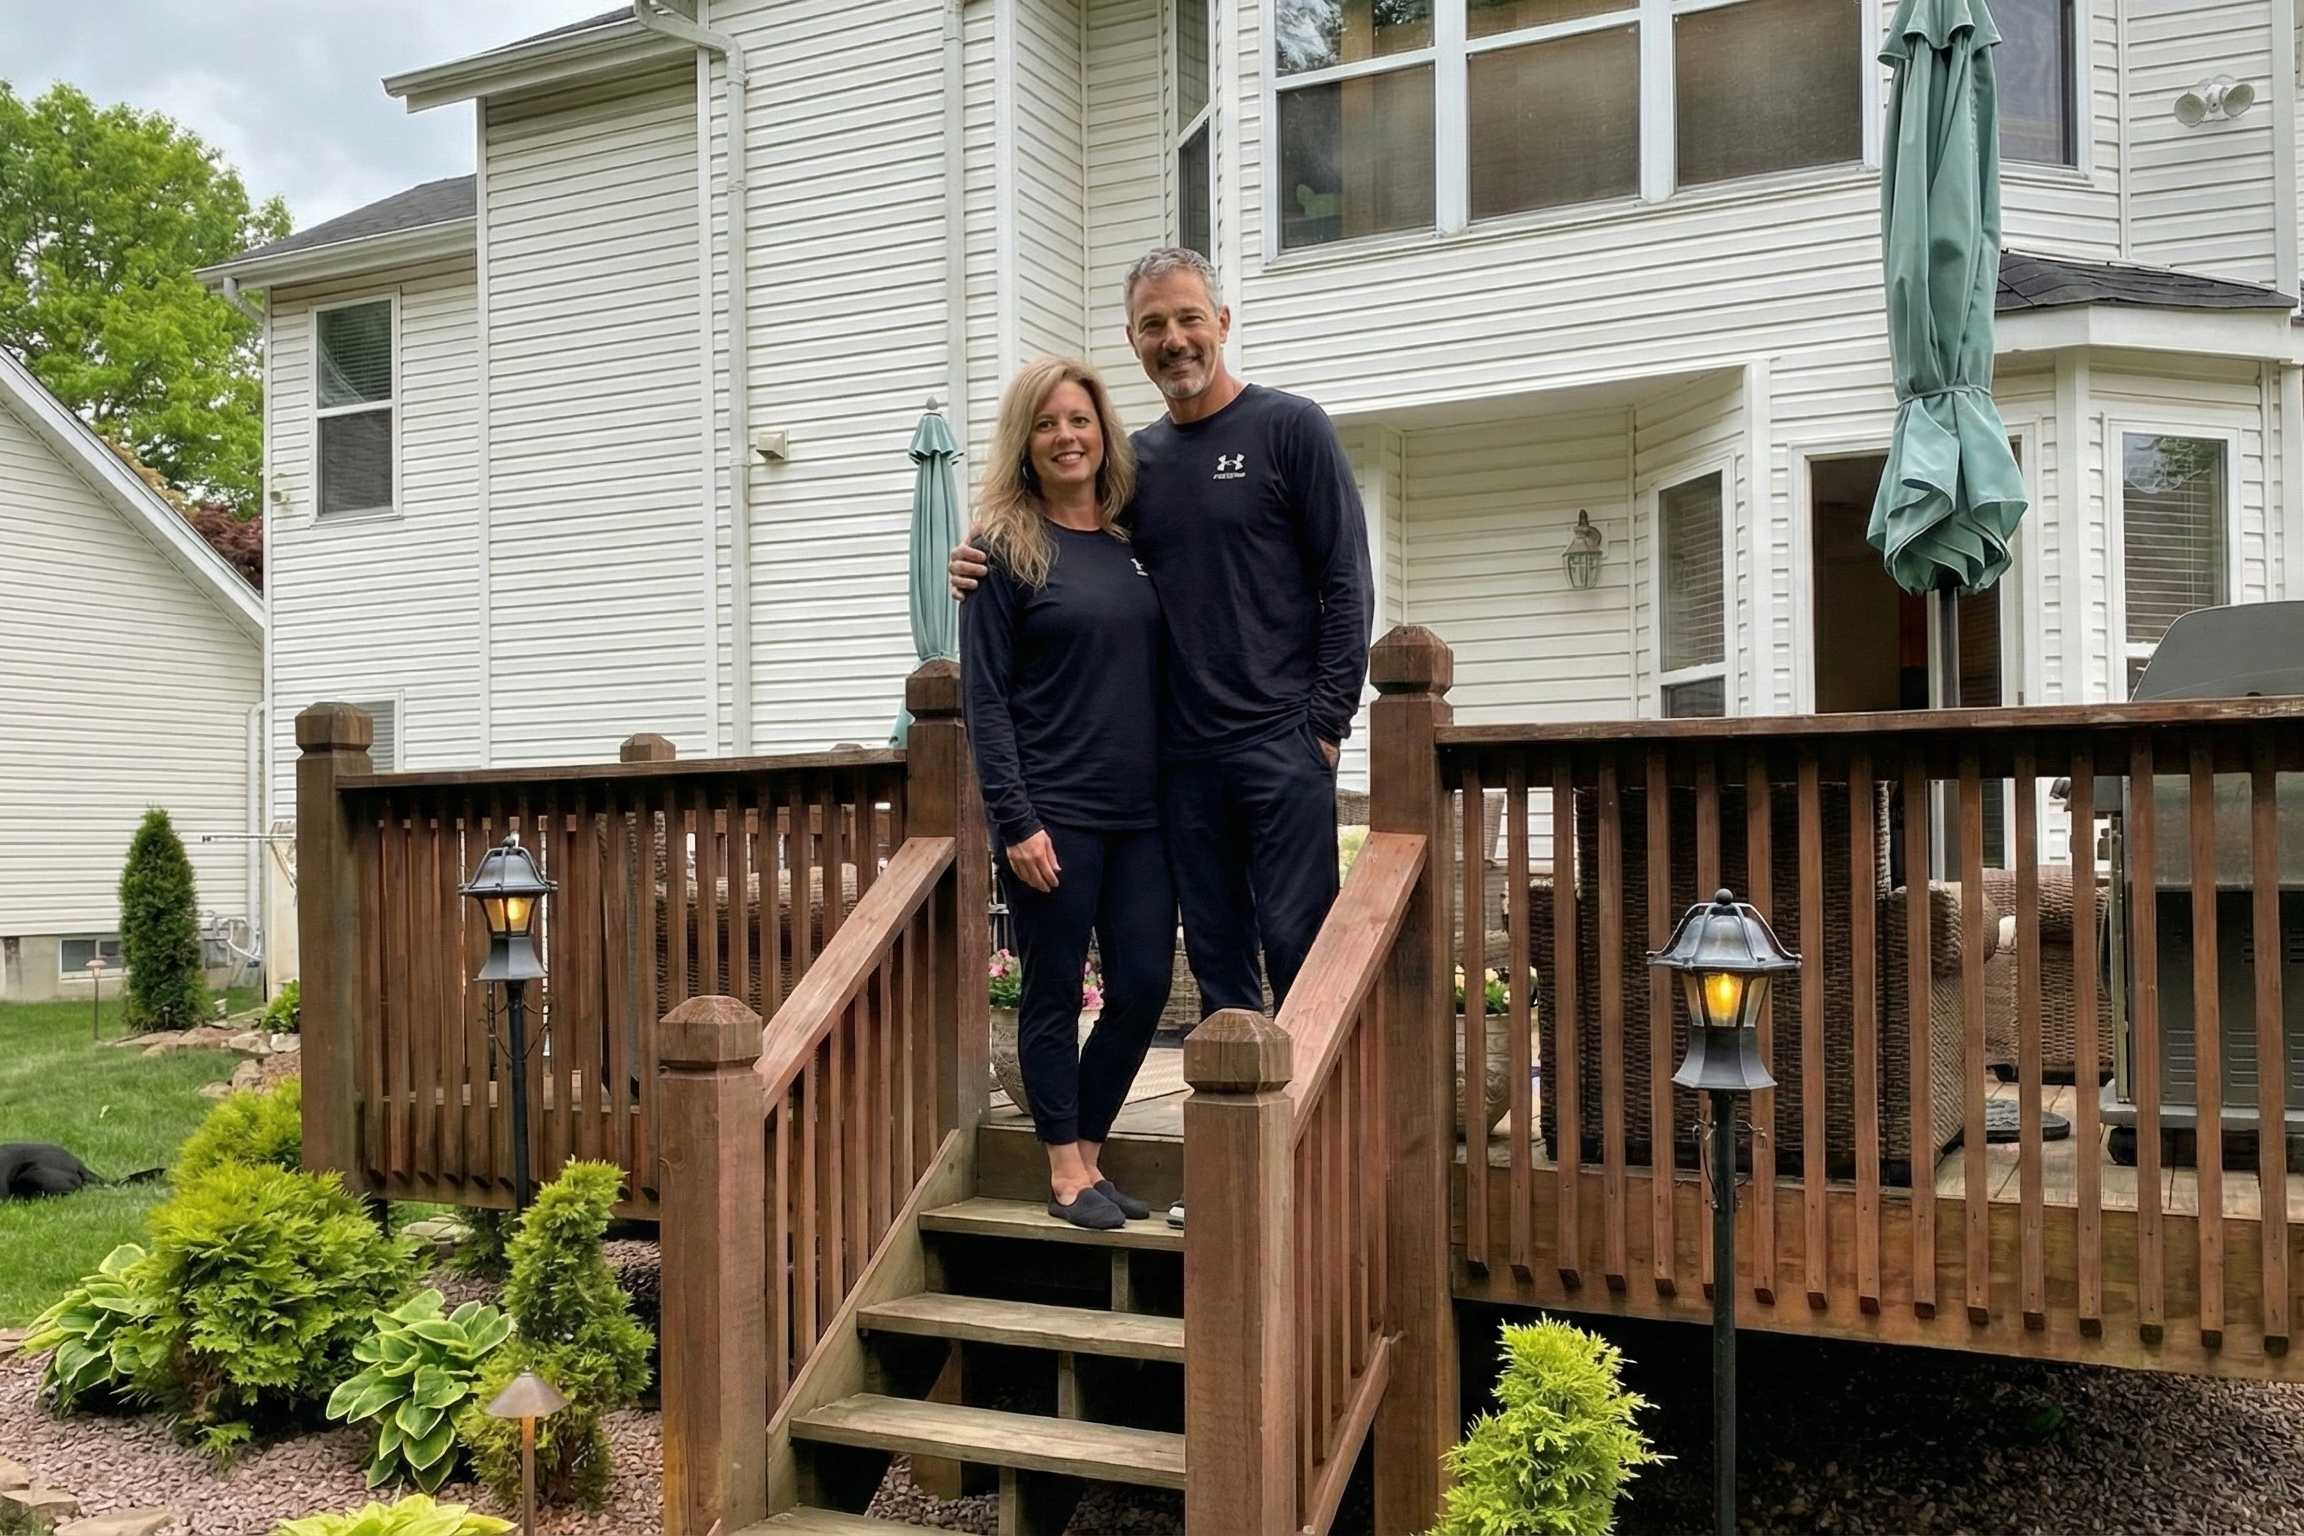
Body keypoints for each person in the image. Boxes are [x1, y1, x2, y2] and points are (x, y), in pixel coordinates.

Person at [955, 248, 1372, 1024]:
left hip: (1281, 744)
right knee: (1219, 967)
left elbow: (1346, 583)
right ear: (1133, 339)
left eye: (1188, 318)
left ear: (1221, 321)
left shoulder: (1291, 427)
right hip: (1178, 764)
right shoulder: (1133, 464)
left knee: (1301, 953)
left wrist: (1324, 725)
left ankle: (1315, 1145)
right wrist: (982, 550)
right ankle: (1235, 1140)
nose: (1173, 339)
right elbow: (1065, 530)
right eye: (1153, 325)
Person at [959, 355, 1173, 1231]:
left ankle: (1087, 1149)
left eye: (1079, 419)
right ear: (1027, 441)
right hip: (1054, 812)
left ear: (1102, 432)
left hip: (1143, 815)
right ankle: (1064, 1172)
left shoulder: (1131, 545)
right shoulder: (1000, 555)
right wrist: (1016, 820)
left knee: (1145, 987)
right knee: (1053, 988)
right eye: (1047, 423)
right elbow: (984, 698)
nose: (1066, 436)